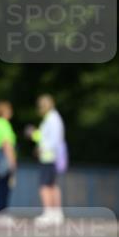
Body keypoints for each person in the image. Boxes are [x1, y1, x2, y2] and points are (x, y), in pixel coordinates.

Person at [25, 94, 66, 226]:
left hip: (49, 156)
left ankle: (49, 213)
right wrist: (35, 135)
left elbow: (53, 139)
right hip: (51, 156)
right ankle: (56, 214)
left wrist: (42, 148)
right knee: (52, 185)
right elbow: (45, 137)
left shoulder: (52, 119)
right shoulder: (51, 118)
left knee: (45, 186)